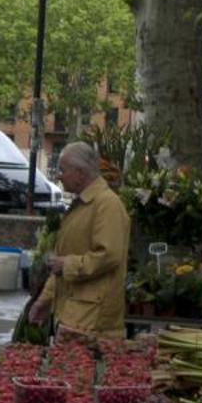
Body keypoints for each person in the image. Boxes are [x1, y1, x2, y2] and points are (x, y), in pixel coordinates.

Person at [30, 141, 130, 341]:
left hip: (92, 319)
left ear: (80, 172)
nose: (58, 176)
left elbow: (108, 255)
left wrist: (68, 264)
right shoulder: (83, 204)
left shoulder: (107, 205)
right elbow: (61, 264)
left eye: (62, 170)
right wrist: (45, 299)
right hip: (77, 314)